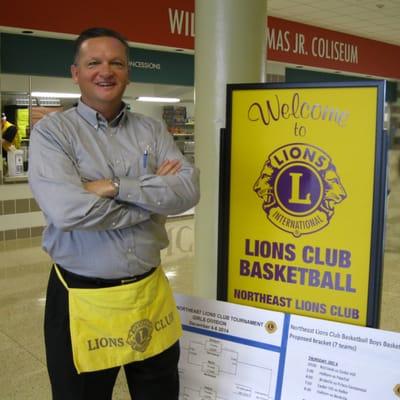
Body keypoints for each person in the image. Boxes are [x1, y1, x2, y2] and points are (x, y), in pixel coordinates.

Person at [28, 27, 200, 400]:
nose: (105, 71)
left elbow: (188, 191)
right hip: (80, 298)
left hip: (148, 294)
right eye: (94, 63)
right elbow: (67, 211)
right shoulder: (53, 134)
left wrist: (115, 187)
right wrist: (152, 202)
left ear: (127, 72)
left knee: (160, 394)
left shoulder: (152, 130)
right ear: (76, 73)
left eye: (116, 63)